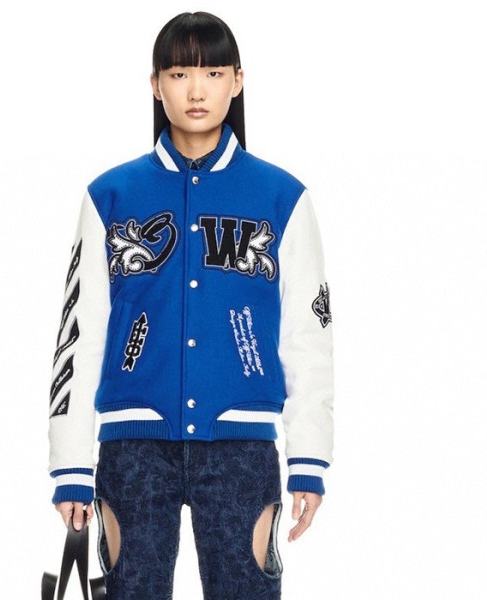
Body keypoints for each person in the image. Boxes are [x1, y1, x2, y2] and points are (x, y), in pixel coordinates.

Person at [47, 11, 334, 599]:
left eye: (212, 73)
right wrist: (71, 463)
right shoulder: (111, 196)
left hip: (242, 450)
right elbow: (81, 331)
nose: (196, 90)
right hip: (131, 449)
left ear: (238, 80)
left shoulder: (282, 197)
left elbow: (308, 335)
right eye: (179, 74)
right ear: (155, 85)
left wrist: (309, 456)